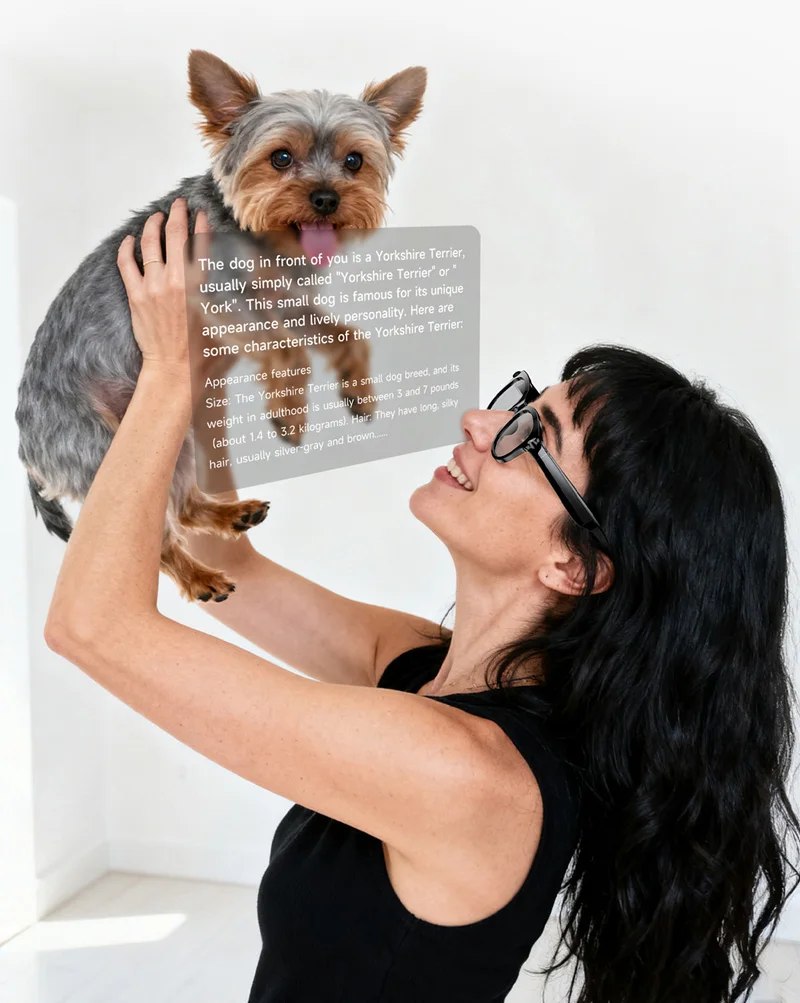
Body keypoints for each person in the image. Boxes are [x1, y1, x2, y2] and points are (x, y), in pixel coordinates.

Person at [44, 198, 800, 1003]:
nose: (480, 421)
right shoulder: (424, 668)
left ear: (575, 566)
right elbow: (227, 563)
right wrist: (200, 377)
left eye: (531, 438)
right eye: (520, 403)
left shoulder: (470, 774)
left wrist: (167, 379)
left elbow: (93, 627)